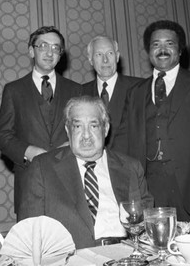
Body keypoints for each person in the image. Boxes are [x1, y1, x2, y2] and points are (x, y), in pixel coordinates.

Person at [114, 20, 190, 230]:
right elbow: (121, 146)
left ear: (180, 50)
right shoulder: (135, 93)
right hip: (149, 195)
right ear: (148, 52)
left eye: (169, 44)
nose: (162, 49)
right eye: (155, 45)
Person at [18, 96, 153, 249]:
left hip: (126, 255)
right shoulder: (43, 168)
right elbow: (28, 233)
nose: (86, 136)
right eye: (78, 127)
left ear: (106, 128)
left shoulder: (130, 167)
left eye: (93, 126)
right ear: (67, 130)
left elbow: (147, 223)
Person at [0, 26, 82, 212]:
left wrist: (71, 144)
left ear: (61, 54)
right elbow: (3, 136)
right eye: (43, 46)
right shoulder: (13, 90)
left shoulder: (76, 90)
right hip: (29, 184)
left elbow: (84, 131)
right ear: (31, 50)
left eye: (56, 48)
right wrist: (29, 151)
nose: (50, 52)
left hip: (70, 182)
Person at [82, 36, 142, 147]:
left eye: (110, 53)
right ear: (90, 60)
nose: (105, 60)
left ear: (117, 57)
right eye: (99, 54)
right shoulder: (81, 93)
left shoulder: (140, 88)